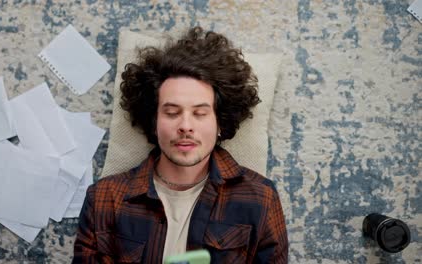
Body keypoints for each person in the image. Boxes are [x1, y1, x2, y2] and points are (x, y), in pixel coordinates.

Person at [73, 27, 288, 263]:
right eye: (172, 112)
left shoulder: (260, 198)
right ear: (154, 122)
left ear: (220, 123)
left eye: (200, 113)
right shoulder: (104, 198)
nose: (186, 125)